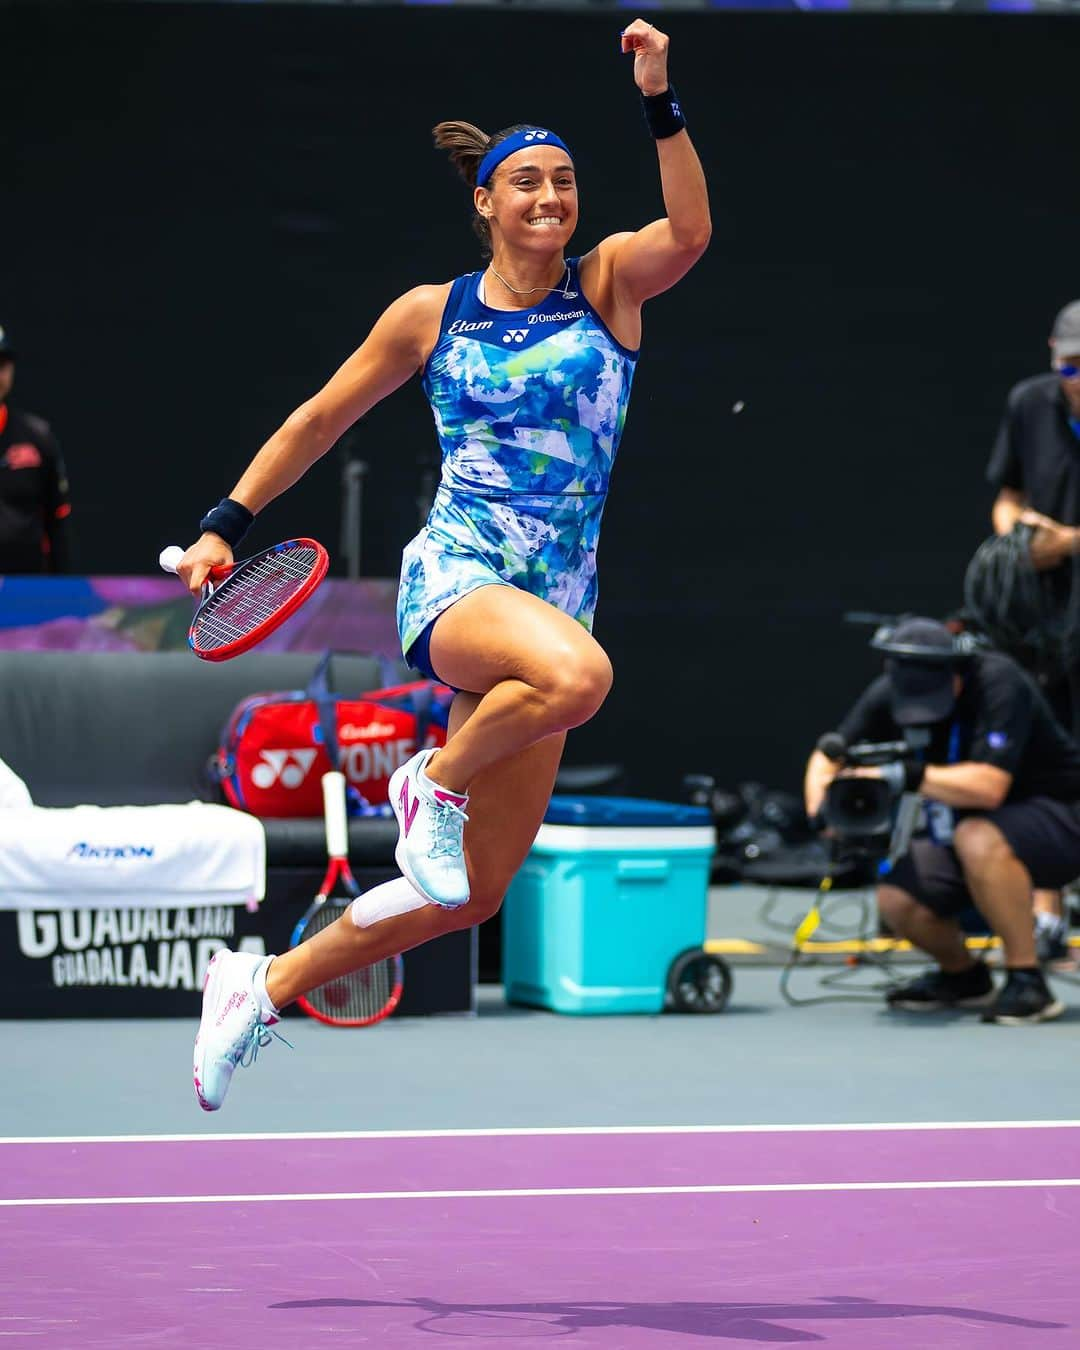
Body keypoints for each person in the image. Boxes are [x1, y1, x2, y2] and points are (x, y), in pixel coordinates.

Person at [177, 20, 711, 1110]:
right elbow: (320, 418)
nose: (551, 199)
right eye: (527, 183)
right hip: (463, 578)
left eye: (564, 181)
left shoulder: (609, 284)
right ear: (486, 202)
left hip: (555, 604)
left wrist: (660, 98)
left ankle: (258, 985)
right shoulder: (434, 314)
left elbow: (692, 232)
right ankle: (436, 781)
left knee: (468, 896)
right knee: (583, 680)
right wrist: (226, 520)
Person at [804, 616, 1080, 1025]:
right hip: (978, 829)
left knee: (975, 834)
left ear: (956, 674)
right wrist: (822, 812)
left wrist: (907, 776)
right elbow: (829, 753)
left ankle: (1027, 981)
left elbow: (989, 788)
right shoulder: (889, 690)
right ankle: (965, 978)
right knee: (897, 897)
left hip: (1062, 815)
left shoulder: (999, 684)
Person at [979, 299, 1080, 960]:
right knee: (1047, 751)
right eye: (1071, 365)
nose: (1079, 379)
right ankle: (1046, 909)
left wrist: (1069, 542)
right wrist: (1015, 538)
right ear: (1053, 353)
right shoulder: (1030, 403)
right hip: (1042, 617)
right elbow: (1007, 495)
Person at [0, 325, 73, 575]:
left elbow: (57, 521)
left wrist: (61, 588)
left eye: (2, 364)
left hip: (27, 589)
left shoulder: (38, 436)